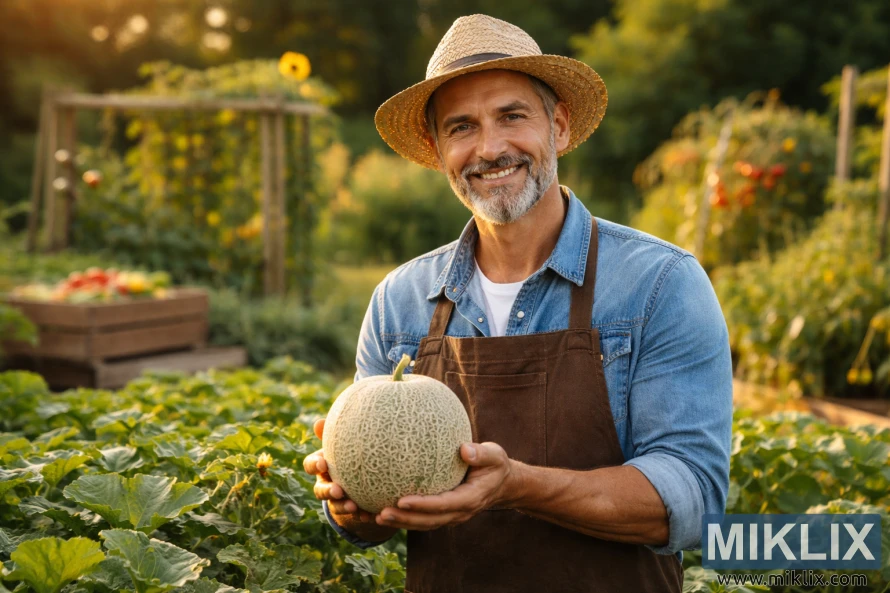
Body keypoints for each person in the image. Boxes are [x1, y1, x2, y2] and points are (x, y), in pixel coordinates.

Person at [303, 14, 732, 593]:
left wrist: (516, 484)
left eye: (512, 116)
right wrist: (351, 501)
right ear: (437, 149)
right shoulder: (398, 301)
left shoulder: (660, 284)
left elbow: (692, 498)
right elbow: (374, 510)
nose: (490, 147)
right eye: (461, 127)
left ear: (558, 126)